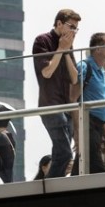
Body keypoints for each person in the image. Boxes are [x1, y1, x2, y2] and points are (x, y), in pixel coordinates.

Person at [33, 9, 81, 178]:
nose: (74, 32)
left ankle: (52, 186)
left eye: (76, 29)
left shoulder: (69, 46)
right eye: (71, 27)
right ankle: (49, 187)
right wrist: (61, 48)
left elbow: (75, 78)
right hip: (51, 106)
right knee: (66, 154)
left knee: (60, 152)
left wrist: (67, 52)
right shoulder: (42, 40)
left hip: (66, 108)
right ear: (59, 23)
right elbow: (47, 72)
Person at [70, 32, 105, 175]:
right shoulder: (85, 67)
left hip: (97, 126)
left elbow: (100, 110)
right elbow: (73, 99)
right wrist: (78, 132)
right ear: (98, 49)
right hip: (87, 124)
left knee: (81, 166)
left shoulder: (102, 72)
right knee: (97, 166)